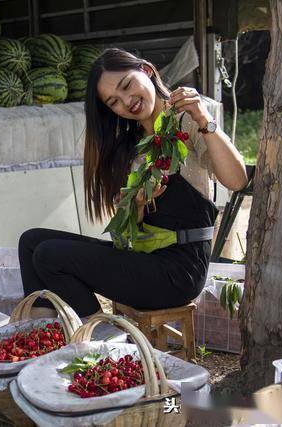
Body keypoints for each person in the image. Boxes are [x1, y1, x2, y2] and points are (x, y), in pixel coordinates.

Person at [19, 48, 248, 319]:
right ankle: (38, 335)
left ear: (147, 71)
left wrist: (204, 120)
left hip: (179, 271)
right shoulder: (132, 146)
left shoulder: (186, 121)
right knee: (31, 242)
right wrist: (136, 209)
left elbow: (237, 180)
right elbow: (124, 239)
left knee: (49, 255)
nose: (127, 102)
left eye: (127, 86)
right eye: (114, 102)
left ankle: (100, 339)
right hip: (144, 258)